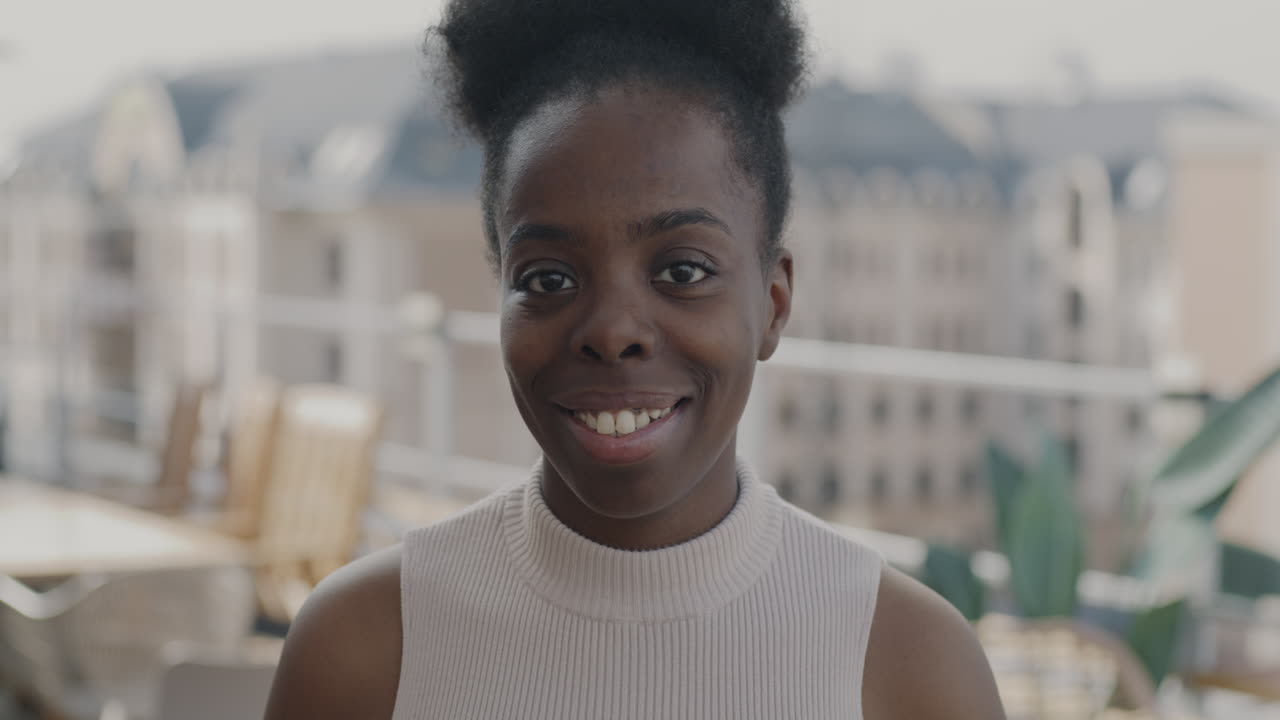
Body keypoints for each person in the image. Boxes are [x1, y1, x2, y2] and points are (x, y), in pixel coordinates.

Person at [264, 0, 1006, 717]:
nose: (613, 331)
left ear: (774, 304)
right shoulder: (364, 649)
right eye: (547, 279)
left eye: (682, 270)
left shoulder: (910, 666)